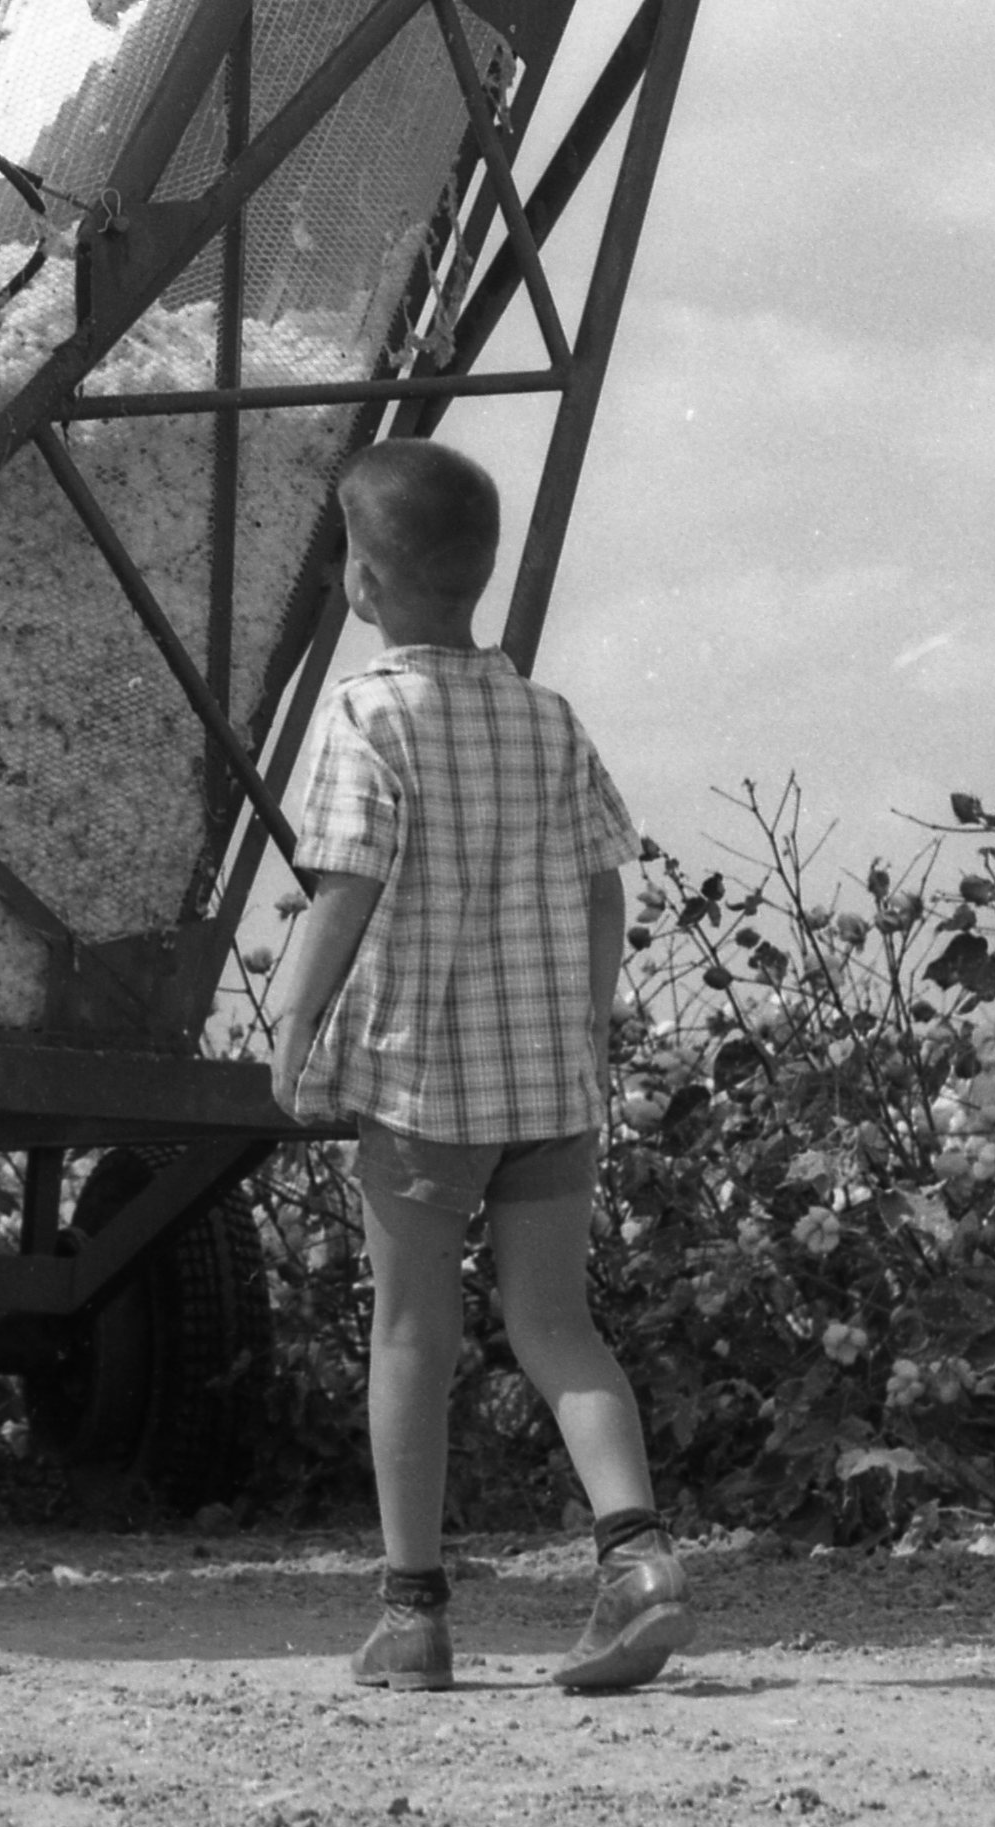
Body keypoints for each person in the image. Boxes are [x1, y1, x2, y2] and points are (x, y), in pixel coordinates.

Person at [259, 438, 688, 1696]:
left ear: (359, 579)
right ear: (482, 572)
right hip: (550, 1086)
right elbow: (605, 887)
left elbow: (343, 892)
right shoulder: (547, 717)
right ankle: (639, 1561)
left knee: (411, 1337)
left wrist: (287, 1026)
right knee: (559, 1327)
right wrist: (587, 1015)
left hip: (421, 1092)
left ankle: (413, 1615)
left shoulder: (365, 715)